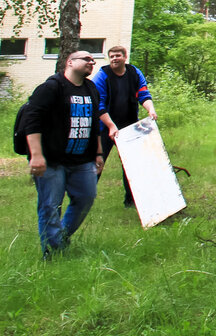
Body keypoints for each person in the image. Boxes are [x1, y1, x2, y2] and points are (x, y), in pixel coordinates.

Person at [23, 50, 106, 259]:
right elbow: (31, 121)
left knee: (87, 197)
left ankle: (60, 237)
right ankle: (51, 252)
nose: (92, 61)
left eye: (92, 59)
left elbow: (95, 123)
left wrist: (98, 153)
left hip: (82, 159)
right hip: (52, 160)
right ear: (70, 62)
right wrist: (36, 155)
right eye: (86, 59)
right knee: (50, 206)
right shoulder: (51, 88)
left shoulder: (91, 88)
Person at [94, 46, 157, 209]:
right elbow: (98, 104)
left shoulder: (134, 73)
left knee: (131, 165)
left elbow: (144, 95)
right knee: (97, 163)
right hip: (104, 127)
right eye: (112, 56)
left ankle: (130, 200)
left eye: (118, 56)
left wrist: (150, 109)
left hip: (129, 126)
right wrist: (110, 126)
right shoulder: (102, 75)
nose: (115, 58)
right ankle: (86, 198)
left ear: (125, 57)